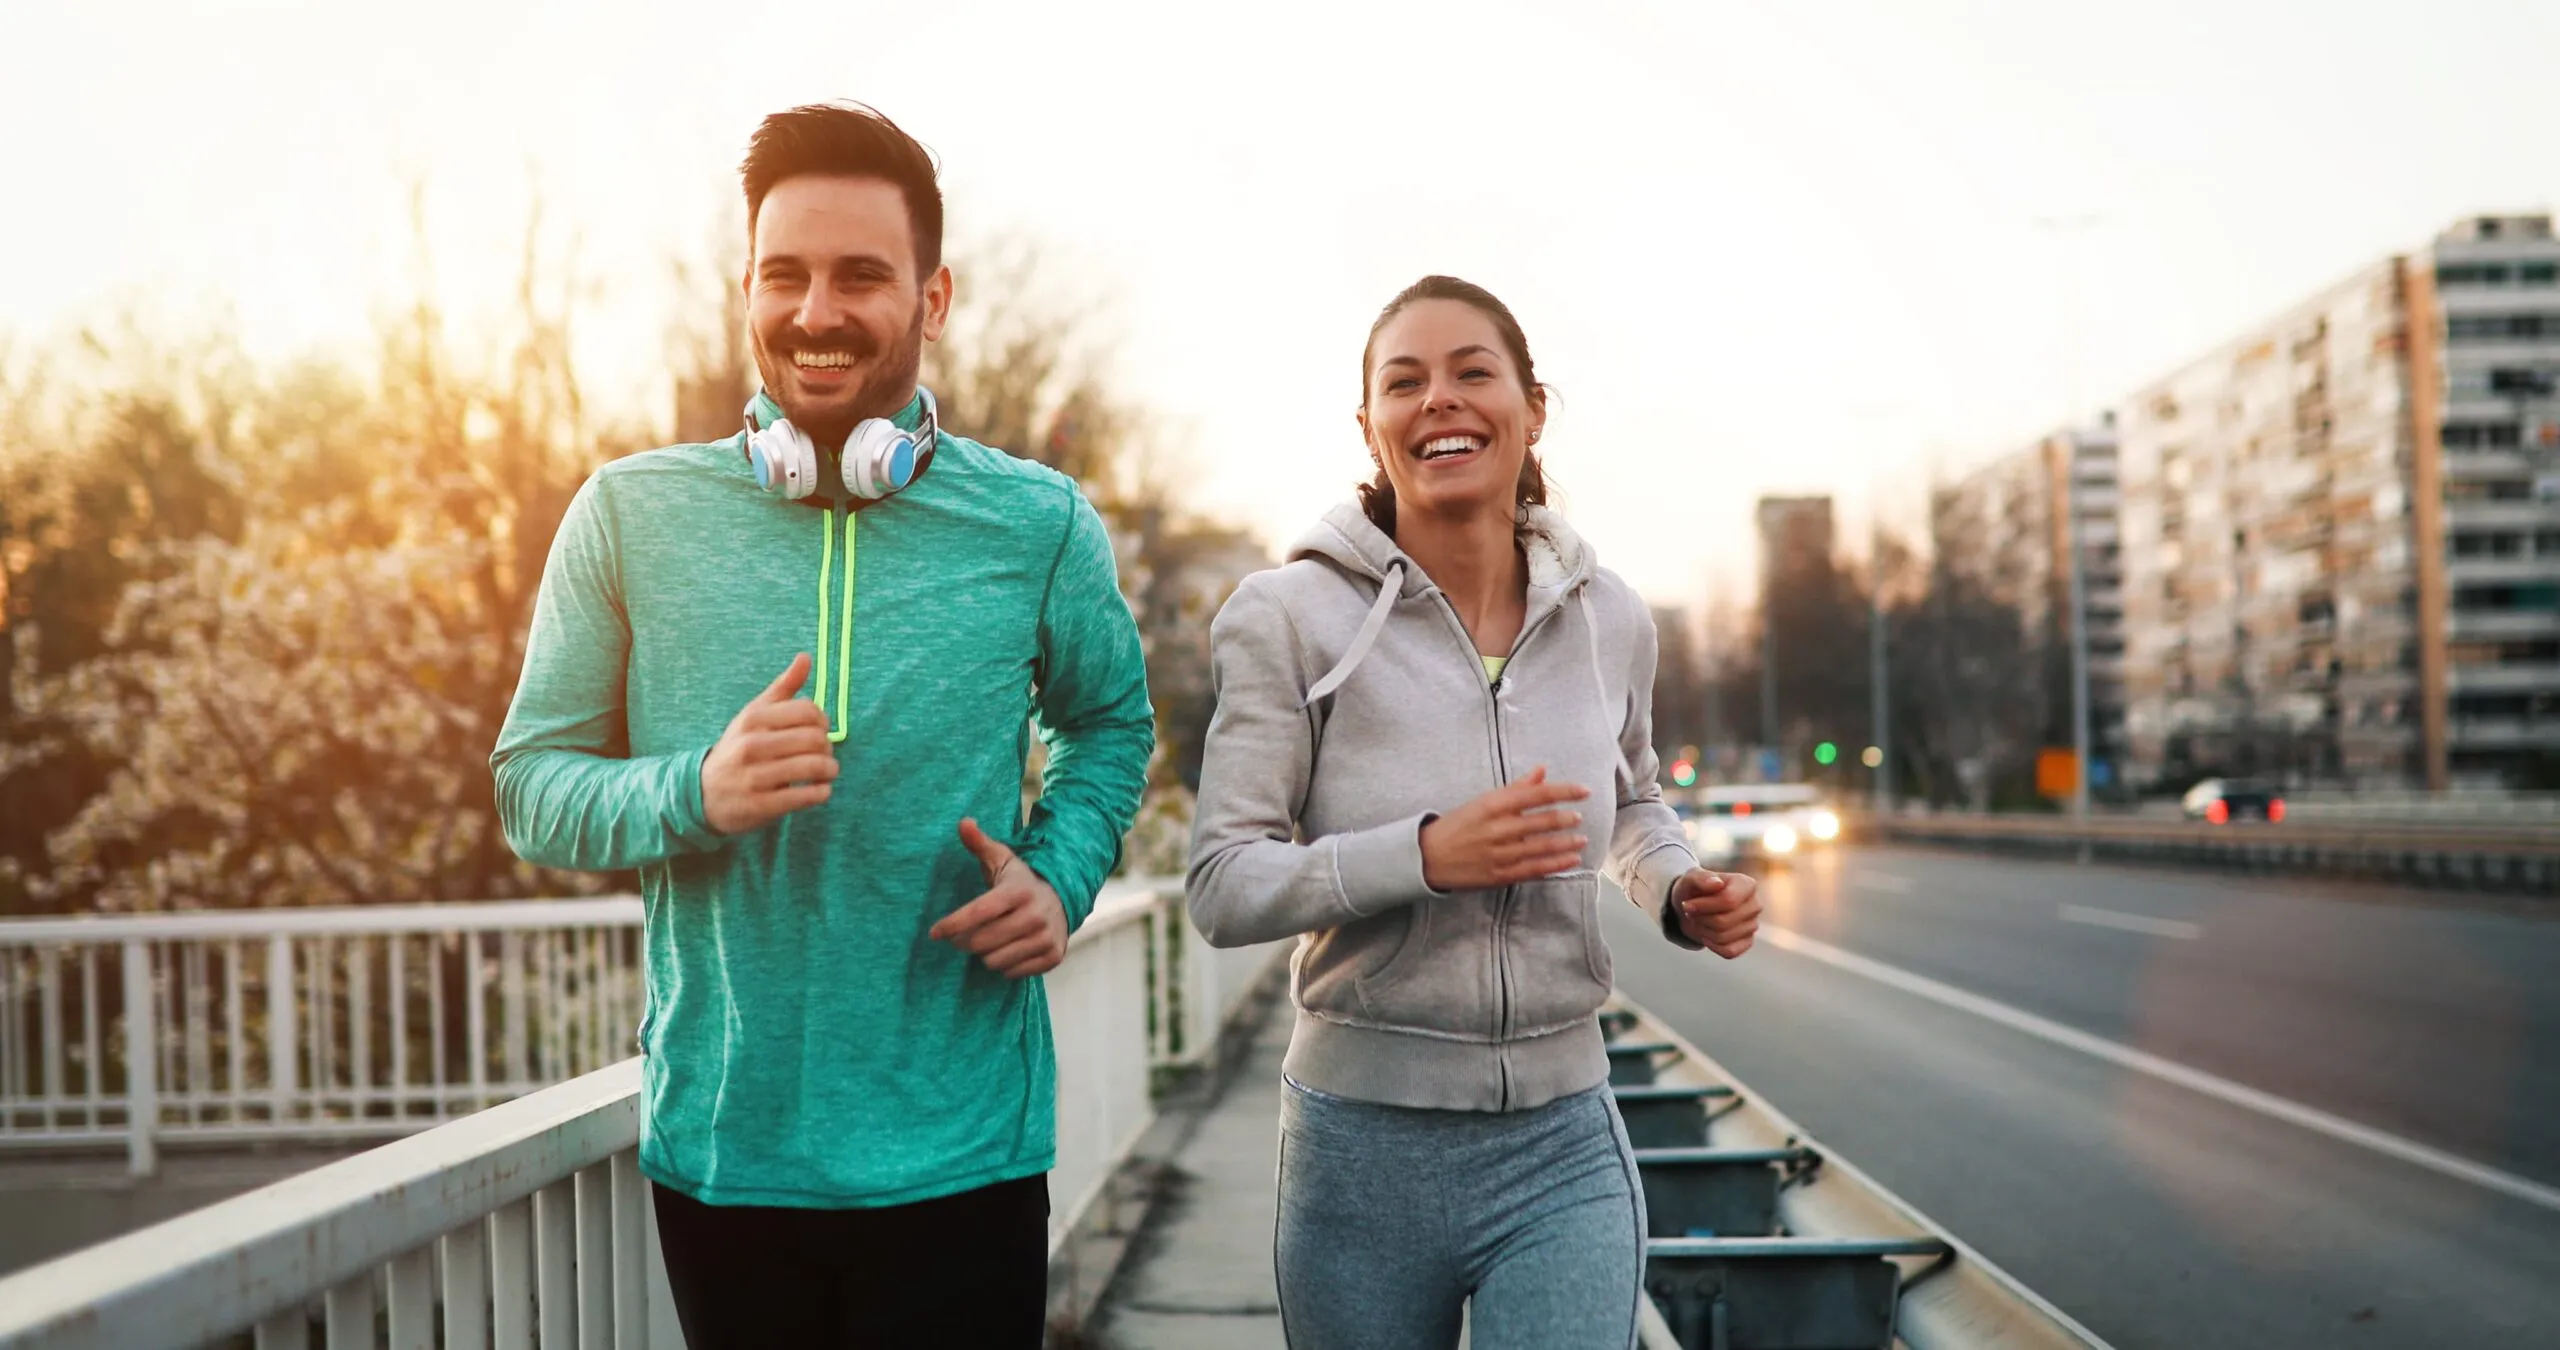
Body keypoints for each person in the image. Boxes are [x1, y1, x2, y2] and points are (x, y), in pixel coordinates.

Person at [490, 102, 1153, 1348]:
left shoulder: (1040, 524)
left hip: (967, 1158)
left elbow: (1110, 727)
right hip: (729, 1158)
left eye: (861, 275)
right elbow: (532, 784)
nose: (815, 311)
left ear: (933, 297)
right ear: (746, 287)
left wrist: (1060, 875)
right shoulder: (627, 515)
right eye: (783, 274)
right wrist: (695, 790)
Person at [1186, 276, 1762, 1349]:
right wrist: (1425, 856)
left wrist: (1679, 887)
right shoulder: (1285, 618)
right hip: (1359, 1154)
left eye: (1471, 373)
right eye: (1404, 383)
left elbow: (1632, 800)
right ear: (1369, 428)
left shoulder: (1611, 618)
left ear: (1531, 408)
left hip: (1562, 1141)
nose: (1439, 400)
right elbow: (1224, 883)